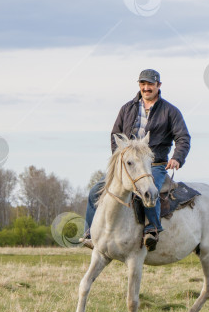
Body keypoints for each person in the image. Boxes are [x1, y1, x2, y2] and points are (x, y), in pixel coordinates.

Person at [82, 68, 191, 251]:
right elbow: (115, 134)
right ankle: (91, 234)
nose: (146, 88)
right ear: (139, 85)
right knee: (95, 191)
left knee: (149, 192)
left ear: (158, 85)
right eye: (143, 84)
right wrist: (120, 160)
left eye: (150, 84)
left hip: (153, 164)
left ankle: (152, 229)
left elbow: (183, 138)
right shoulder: (127, 108)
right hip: (128, 164)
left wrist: (177, 158)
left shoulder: (170, 111)